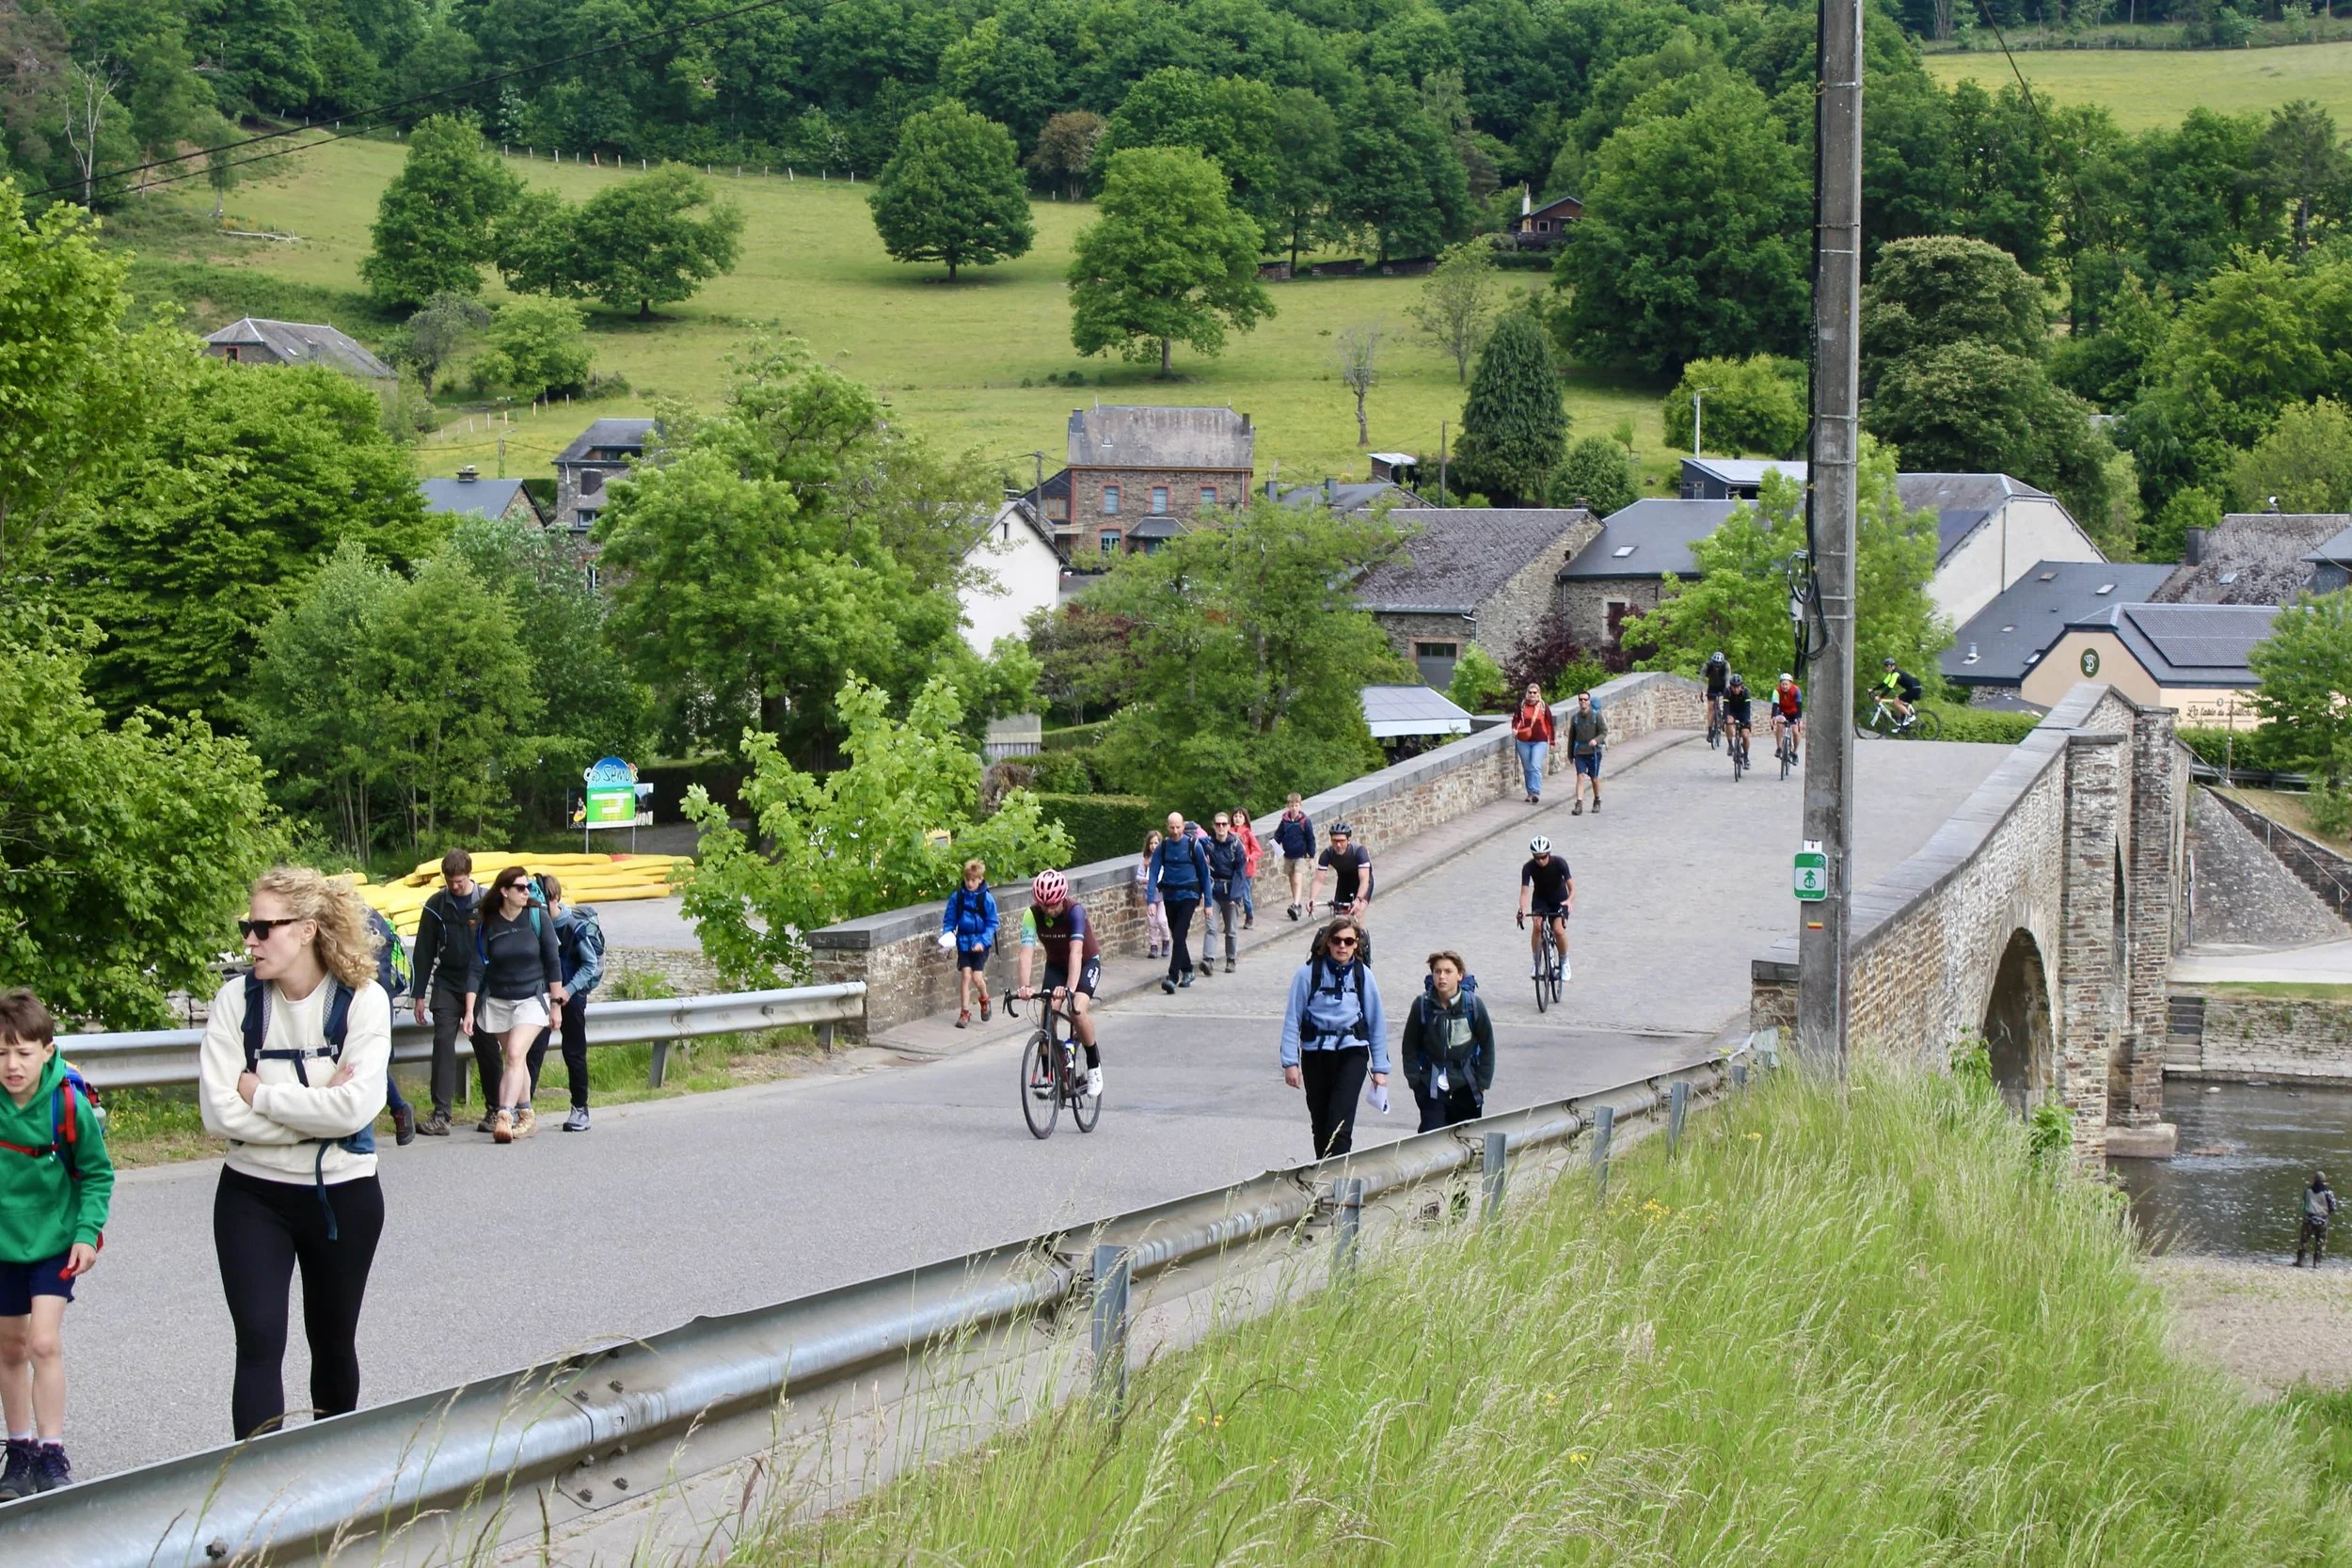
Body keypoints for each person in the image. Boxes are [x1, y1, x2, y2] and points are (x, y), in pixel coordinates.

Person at [199, 867, 389, 1442]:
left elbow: (356, 1108)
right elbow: (218, 1114)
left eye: (262, 927)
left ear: (306, 929)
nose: (249, 940)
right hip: (251, 1195)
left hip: (345, 1195)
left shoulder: (362, 1000)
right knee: (258, 1342)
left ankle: (332, 1483)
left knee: (333, 1343)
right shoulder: (235, 1001)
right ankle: (256, 1490)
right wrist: (316, 1115)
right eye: (246, 926)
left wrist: (261, 1093)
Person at [0, 990, 112, 1498]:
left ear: (47, 1051)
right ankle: (19, 1450)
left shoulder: (67, 1103)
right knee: (9, 1348)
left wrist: (87, 1233)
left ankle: (51, 1451)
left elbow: (96, 1173)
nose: (11, 1065)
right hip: (3, 1246)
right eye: (1, 1053)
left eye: (23, 1052)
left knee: (43, 1342)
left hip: (54, 1243)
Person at [461, 865, 564, 1144]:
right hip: (498, 1000)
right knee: (514, 1062)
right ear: (504, 891)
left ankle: (504, 1115)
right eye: (520, 888)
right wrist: (469, 1010)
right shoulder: (489, 924)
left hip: (533, 997)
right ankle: (527, 1115)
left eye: (528, 887)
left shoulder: (536, 916)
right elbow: (475, 968)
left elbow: (553, 961)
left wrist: (556, 1005)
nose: (526, 892)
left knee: (515, 1055)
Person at [1279, 916, 1390, 1160]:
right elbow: (1292, 1020)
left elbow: (1376, 1022)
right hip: (1316, 1054)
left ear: (1356, 944)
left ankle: (1336, 1183)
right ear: (1328, 943)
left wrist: (1380, 1068)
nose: (1342, 946)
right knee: (1320, 1125)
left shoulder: (1364, 976)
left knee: (1339, 1125)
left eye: (1348, 941)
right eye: (1337, 940)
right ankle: (1324, 1179)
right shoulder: (1307, 974)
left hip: (1352, 1053)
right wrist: (1290, 1062)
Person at [407, 849, 485, 1136]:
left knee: (486, 1043)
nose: (455, 887)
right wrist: (418, 995)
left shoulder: (486, 903)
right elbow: (424, 951)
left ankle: (496, 1108)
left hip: (480, 983)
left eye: (460, 882)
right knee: (442, 1042)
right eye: (451, 882)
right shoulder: (436, 904)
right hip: (447, 983)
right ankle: (441, 1114)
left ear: (470, 876)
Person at [1014, 870, 1103, 1098]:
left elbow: (1076, 953)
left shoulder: (1075, 912)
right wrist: (1024, 985)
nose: (1049, 910)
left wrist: (1070, 990)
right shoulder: (1032, 915)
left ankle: (1094, 1066)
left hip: (1085, 963)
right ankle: (1048, 1077)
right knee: (1047, 1015)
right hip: (1056, 966)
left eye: (1053, 905)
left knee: (1077, 1010)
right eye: (1044, 905)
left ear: (1062, 898)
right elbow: (1026, 953)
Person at [536, 878, 604, 1132]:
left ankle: (580, 1109)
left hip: (571, 998)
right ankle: (523, 1110)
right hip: (541, 997)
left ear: (553, 898)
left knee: (573, 1053)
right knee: (531, 1053)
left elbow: (589, 964)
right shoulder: (535, 925)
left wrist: (568, 990)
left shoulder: (573, 928)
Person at [1401, 954, 1494, 1132]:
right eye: (1437, 971)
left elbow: (1488, 1045)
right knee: (1431, 1140)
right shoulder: (1422, 1005)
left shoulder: (1473, 1005)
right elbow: (1409, 1046)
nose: (1442, 976)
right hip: (1432, 1085)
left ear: (1460, 975)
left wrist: (1483, 1082)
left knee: (1467, 1141)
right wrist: (1416, 1082)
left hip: (1467, 1085)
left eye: (1448, 971)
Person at [1150, 812, 1212, 991]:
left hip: (1189, 896)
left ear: (1184, 826)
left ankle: (1172, 976)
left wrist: (1208, 903)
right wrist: (1151, 901)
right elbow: (1153, 873)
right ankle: (1188, 969)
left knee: (1178, 934)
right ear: (1167, 827)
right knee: (1178, 936)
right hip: (1169, 895)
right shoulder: (1163, 847)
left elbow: (1204, 875)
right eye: (1172, 827)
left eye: (1178, 827)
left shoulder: (1194, 846)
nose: (1175, 831)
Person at [940, 860, 999, 1029]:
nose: (970, 883)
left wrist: (982, 941)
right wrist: (948, 935)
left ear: (980, 879)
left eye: (973, 880)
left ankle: (984, 999)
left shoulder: (986, 899)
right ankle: (964, 1012)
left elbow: (992, 923)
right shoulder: (957, 897)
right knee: (965, 976)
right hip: (963, 942)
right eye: (967, 879)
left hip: (980, 943)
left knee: (976, 978)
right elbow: (950, 920)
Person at [1517, 835, 1574, 982]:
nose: (1540, 860)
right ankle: (1537, 962)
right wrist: (1522, 909)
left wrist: (1569, 901)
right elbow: (1524, 892)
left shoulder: (1559, 863)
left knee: (1558, 931)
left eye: (1543, 857)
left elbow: (1572, 889)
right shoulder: (1528, 867)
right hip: (1540, 899)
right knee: (1537, 927)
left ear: (1549, 854)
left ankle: (1564, 961)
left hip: (1560, 899)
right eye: (1537, 858)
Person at [1204, 814, 1249, 974]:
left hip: (1230, 889)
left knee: (1230, 929)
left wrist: (1235, 895)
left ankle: (1231, 959)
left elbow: (1240, 872)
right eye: (1218, 824)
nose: (1221, 827)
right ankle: (1208, 960)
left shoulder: (1236, 846)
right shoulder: (1209, 844)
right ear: (1214, 825)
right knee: (1211, 927)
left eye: (1224, 824)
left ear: (1229, 826)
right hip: (1214, 889)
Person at [1311, 822, 1374, 919]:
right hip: (1344, 883)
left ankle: (1362, 932)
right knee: (1339, 920)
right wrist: (1312, 898)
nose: (1338, 845)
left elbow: (1364, 880)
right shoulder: (1327, 854)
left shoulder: (1359, 852)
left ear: (1348, 840)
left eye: (1342, 841)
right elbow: (1319, 880)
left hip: (1363, 884)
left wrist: (1358, 899)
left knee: (1357, 914)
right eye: (1335, 841)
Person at [1510, 684, 1555, 804]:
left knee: (1535, 765)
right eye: (1530, 692)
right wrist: (1514, 729)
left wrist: (1552, 741)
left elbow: (1550, 723)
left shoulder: (1543, 706)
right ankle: (1529, 792)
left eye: (1535, 692)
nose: (1532, 695)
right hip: (1523, 740)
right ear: (1527, 693)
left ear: (1539, 694)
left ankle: (1535, 791)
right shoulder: (1521, 706)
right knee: (1527, 768)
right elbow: (1516, 720)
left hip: (1540, 740)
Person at [1274, 794, 1316, 920]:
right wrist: (1274, 842)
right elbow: (1278, 835)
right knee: (1292, 880)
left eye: (1296, 805)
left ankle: (1296, 904)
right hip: (1288, 855)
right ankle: (1296, 906)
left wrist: (1312, 857)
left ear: (1300, 806)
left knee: (1298, 879)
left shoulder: (1305, 821)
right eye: (1291, 805)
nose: (1294, 808)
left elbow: (1310, 839)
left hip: (1300, 855)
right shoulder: (1285, 821)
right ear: (1288, 806)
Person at [1566, 690, 1607, 816]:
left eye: (1585, 699)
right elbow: (1571, 738)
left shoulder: (1596, 716)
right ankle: (1579, 804)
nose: (1583, 702)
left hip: (1594, 752)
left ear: (1589, 701)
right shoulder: (1575, 718)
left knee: (1594, 778)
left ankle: (1597, 800)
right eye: (1581, 700)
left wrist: (1596, 740)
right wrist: (1570, 754)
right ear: (1578, 702)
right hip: (1580, 752)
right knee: (1580, 776)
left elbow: (1604, 732)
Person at [1137, 831, 1169, 959]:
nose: (1153, 846)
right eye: (1151, 843)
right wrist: (1143, 880)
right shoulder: (1145, 860)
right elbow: (1138, 876)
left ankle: (1166, 941)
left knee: (1162, 920)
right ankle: (1153, 946)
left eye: (1156, 843)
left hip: (1160, 895)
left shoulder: (1164, 858)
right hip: (1149, 894)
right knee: (1152, 922)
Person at [1232, 807, 1263, 930]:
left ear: (1245, 819)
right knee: (1231, 896)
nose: (1237, 818)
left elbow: (1258, 851)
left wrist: (1249, 858)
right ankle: (1231, 920)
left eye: (1240, 816)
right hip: (1232, 869)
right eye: (1235, 816)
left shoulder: (1247, 833)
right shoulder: (1229, 831)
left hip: (1245, 870)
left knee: (1245, 895)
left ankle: (1249, 916)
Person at [2299, 1171, 2338, 1266]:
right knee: (2320, 1242)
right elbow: (2333, 1207)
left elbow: (2304, 1203)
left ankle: (2300, 1261)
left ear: (2314, 1179)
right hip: (2322, 1220)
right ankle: (2316, 1262)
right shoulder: (2328, 1192)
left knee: (2304, 1240)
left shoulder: (2307, 1190)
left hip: (2308, 1219)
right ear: (2324, 1179)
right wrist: (2328, 1213)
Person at [1879, 657, 1924, 723]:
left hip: (1914, 689)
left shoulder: (1896, 674)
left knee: (1896, 701)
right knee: (1901, 705)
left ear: (1893, 666)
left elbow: (1890, 687)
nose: (1886, 668)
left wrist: (1880, 697)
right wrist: (1873, 689)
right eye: (1885, 666)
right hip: (1913, 689)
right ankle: (1901, 726)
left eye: (1887, 666)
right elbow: (1884, 684)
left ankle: (1911, 716)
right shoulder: (1891, 674)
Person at [1722, 673, 1755, 763]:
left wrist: (1747, 720)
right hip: (1732, 713)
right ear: (1731, 686)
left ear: (1741, 686)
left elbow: (1748, 708)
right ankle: (1730, 745)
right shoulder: (1727, 691)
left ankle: (1746, 756)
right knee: (1728, 721)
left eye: (1738, 687)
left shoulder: (1746, 692)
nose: (1736, 689)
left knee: (1745, 735)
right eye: (1734, 687)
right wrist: (1724, 718)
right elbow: (1726, 707)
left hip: (1743, 714)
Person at [1772, 673, 1804, 763]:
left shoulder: (1796, 690)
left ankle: (1794, 752)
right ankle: (1779, 747)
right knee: (1780, 724)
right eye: (1782, 684)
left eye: (1786, 684)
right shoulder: (1777, 691)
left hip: (1794, 712)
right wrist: (1773, 717)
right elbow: (1775, 705)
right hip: (1782, 712)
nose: (1784, 686)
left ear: (1791, 684)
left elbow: (1799, 705)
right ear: (1780, 684)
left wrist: (1799, 719)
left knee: (1795, 731)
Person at [1703, 650, 1729, 740]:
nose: (1717, 668)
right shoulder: (1707, 665)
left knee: (1727, 703)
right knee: (1711, 707)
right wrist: (1700, 691)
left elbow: (1728, 679)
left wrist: (1727, 691)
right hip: (1712, 686)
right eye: (1715, 665)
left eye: (1719, 665)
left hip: (1722, 686)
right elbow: (1701, 678)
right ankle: (1710, 731)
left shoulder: (1726, 665)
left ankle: (1723, 719)